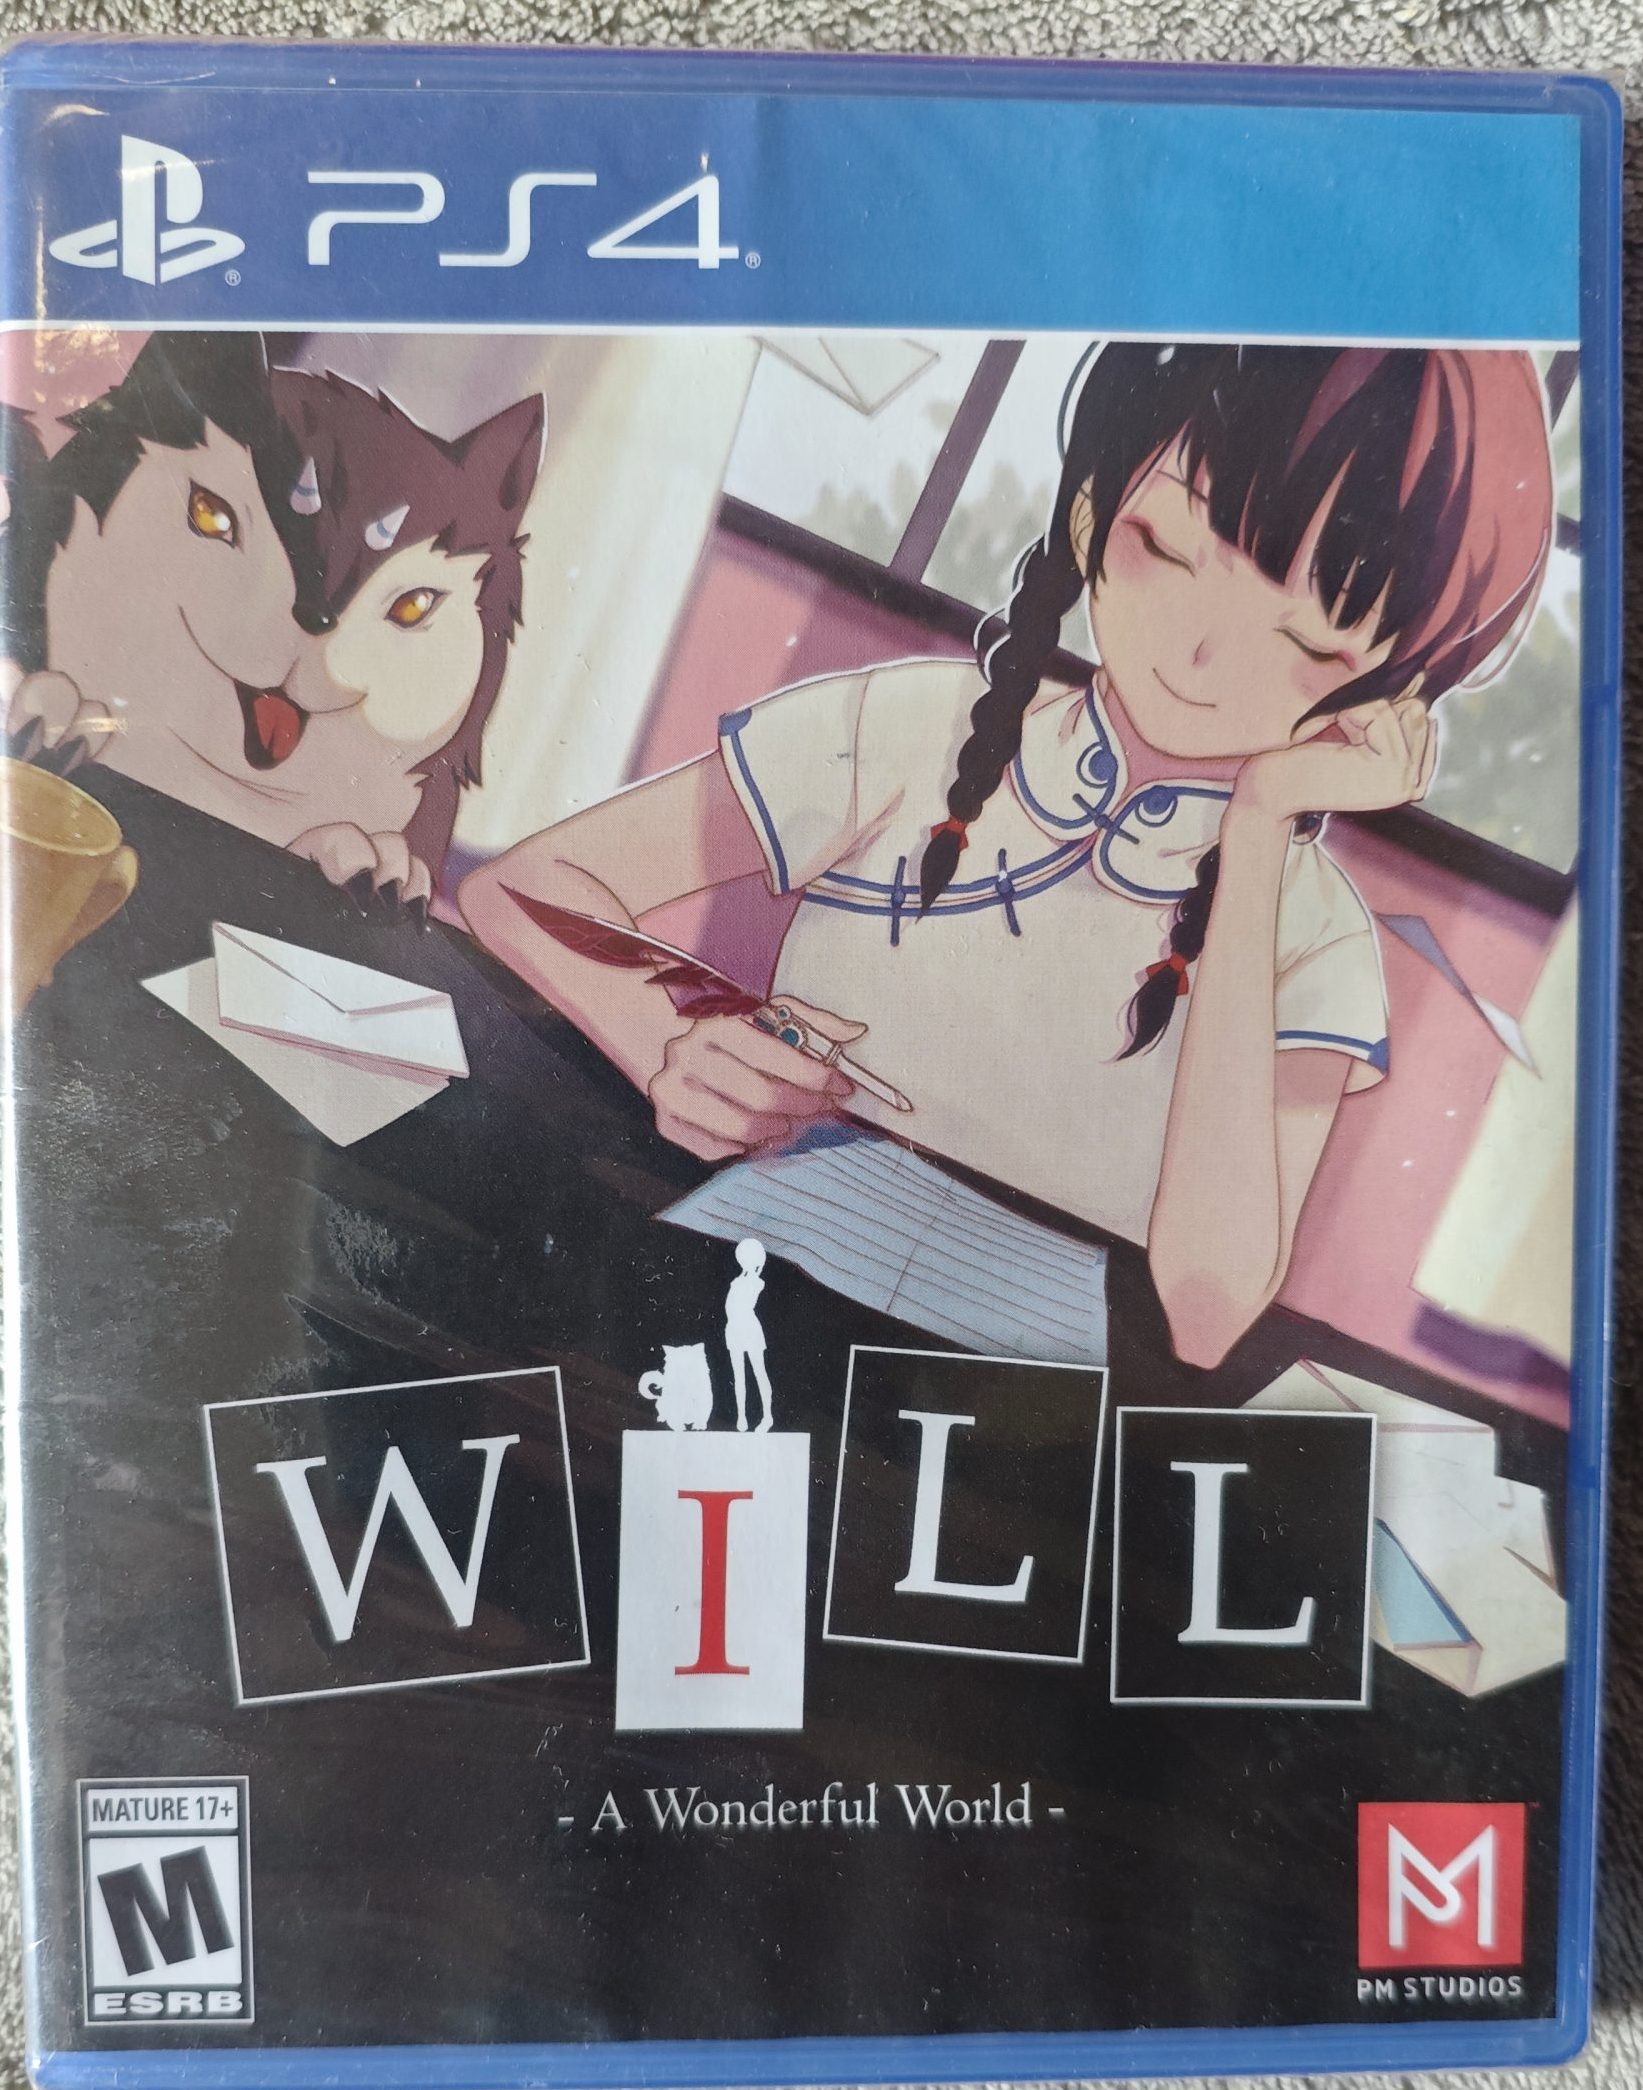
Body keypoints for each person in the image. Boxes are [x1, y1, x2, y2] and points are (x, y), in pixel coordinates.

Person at [461, 343, 1553, 1368]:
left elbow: (1207, 1308)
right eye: (1166, 548)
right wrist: (678, 1045)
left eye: (1308, 640)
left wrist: (1261, 827)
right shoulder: (915, 726)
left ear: (1389, 696)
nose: (1201, 653)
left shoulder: (1315, 935)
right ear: (1089, 511)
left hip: (1005, 1393)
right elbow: (523, 888)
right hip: (745, 1281)